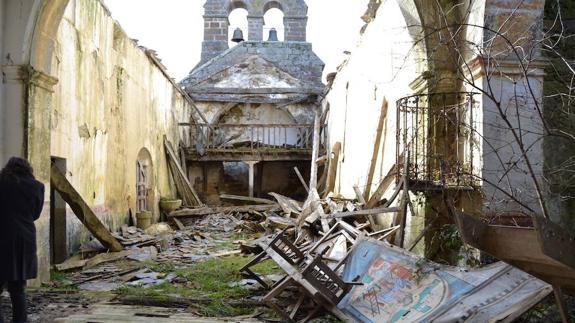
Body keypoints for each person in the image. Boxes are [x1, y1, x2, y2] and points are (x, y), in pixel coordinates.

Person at [0, 157, 45, 323]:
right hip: (25, 238)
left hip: (2, 236)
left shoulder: (2, 183)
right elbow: (35, 214)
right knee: (18, 288)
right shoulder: (37, 187)